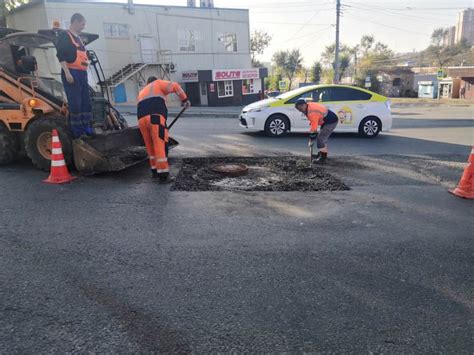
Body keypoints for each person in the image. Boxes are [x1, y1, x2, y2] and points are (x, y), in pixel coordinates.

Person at [137, 76, 190, 183]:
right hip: (155, 118)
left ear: (147, 83)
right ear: (155, 80)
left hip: (141, 121)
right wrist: (185, 99)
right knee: (159, 145)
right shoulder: (158, 83)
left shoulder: (142, 91)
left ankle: (155, 171)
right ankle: (163, 175)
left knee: (150, 146)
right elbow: (175, 86)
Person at [56, 13, 93, 138]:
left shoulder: (79, 39)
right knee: (76, 103)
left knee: (86, 102)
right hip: (72, 72)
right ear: (76, 22)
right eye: (82, 24)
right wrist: (67, 73)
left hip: (82, 74)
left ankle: (86, 128)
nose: (83, 27)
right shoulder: (65, 36)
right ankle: (78, 132)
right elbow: (60, 55)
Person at [295, 98, 338, 163]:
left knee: (320, 139)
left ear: (303, 105)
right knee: (322, 138)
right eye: (298, 109)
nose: (300, 111)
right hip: (326, 121)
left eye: (300, 109)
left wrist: (311, 139)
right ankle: (322, 153)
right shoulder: (308, 106)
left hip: (330, 122)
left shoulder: (311, 112)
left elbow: (314, 128)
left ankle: (323, 158)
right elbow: (314, 121)